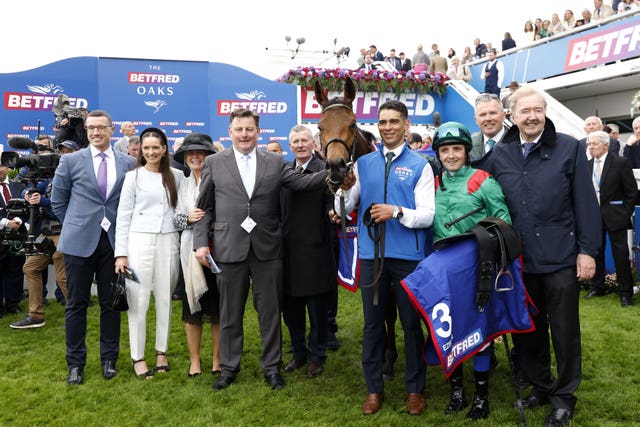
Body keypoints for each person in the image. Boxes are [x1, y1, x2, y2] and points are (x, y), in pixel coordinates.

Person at [479, 86, 601, 427]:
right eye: (524, 111)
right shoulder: (500, 154)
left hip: (561, 259)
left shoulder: (569, 148)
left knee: (564, 333)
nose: (531, 116)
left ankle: (564, 398)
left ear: (544, 112)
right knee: (528, 331)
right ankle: (542, 386)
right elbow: (475, 187)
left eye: (537, 110)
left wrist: (587, 251)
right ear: (512, 116)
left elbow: (585, 204)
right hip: (519, 262)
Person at [192, 108, 327, 392]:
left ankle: (272, 368)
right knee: (230, 314)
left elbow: (302, 184)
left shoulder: (275, 161)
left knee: (270, 313)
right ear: (230, 132)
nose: (244, 134)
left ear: (258, 131)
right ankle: (229, 368)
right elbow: (203, 209)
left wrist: (333, 173)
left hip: (267, 248)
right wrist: (201, 243)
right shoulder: (215, 163)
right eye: (239, 129)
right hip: (229, 249)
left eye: (249, 129)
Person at [333, 100, 435, 416]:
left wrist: (397, 212)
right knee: (373, 326)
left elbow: (428, 215)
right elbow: (343, 210)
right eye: (382, 122)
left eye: (393, 121)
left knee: (410, 325)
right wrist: (341, 189)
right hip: (371, 256)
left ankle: (415, 389)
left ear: (405, 125)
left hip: (408, 258)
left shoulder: (421, 165)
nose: (387, 127)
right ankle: (374, 389)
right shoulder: (363, 164)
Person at [431, 121, 511, 420]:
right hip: (442, 271)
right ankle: (456, 391)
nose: (451, 155)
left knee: (480, 333)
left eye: (457, 149)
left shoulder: (483, 180)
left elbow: (503, 223)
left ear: (466, 151)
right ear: (438, 153)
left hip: (477, 270)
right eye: (445, 150)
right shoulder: (433, 182)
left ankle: (480, 397)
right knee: (448, 330)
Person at [51, 110, 137, 385]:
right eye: (91, 128)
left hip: (114, 243)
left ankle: (109, 359)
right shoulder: (71, 161)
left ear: (112, 130)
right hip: (78, 244)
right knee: (76, 304)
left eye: (101, 128)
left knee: (111, 304)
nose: (96, 132)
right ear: (86, 131)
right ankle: (75, 364)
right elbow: (58, 202)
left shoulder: (129, 163)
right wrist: (77, 225)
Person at [114, 127, 183, 379]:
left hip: (168, 242)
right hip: (137, 243)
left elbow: (180, 214)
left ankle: (161, 351)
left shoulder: (177, 175)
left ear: (164, 148)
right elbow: (123, 216)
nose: (151, 152)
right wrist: (121, 254)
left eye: (156, 147)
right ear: (140, 151)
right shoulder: (133, 177)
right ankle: (138, 356)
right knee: (138, 301)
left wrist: (191, 218)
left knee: (165, 298)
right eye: (146, 148)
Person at [281, 125, 336, 379]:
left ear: (314, 144)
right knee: (291, 309)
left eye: (304, 140)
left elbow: (332, 204)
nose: (300, 145)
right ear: (290, 146)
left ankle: (317, 356)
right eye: (296, 142)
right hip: (287, 252)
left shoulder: (327, 171)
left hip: (316, 249)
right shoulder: (283, 170)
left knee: (316, 310)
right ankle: (298, 352)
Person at [9, 141, 79, 329]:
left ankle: (76, 316)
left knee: (63, 276)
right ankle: (36, 315)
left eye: (69, 152)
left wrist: (44, 201)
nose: (65, 155)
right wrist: (28, 194)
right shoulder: (50, 174)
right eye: (62, 151)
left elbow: (67, 208)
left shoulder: (76, 176)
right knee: (30, 267)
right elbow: (29, 186)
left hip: (65, 230)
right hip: (46, 231)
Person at [172, 132, 220, 377]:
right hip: (188, 253)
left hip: (218, 252)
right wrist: (187, 218)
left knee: (217, 310)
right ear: (185, 157)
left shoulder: (220, 181)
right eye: (191, 153)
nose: (196, 156)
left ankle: (217, 359)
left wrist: (212, 222)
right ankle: (194, 361)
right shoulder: (181, 184)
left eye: (201, 152)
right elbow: (172, 218)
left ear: (209, 155)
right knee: (192, 311)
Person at [584, 131, 637, 307]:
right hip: (593, 218)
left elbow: (631, 192)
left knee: (620, 256)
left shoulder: (620, 163)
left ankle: (626, 294)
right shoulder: (586, 165)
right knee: (595, 254)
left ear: (606, 145)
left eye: (595, 144)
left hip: (616, 217)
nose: (591, 147)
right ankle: (598, 287)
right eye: (589, 144)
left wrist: (624, 213)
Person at [0, 164, 26, 318]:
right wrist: (5, 223)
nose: (0, 169)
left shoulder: (19, 186)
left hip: (17, 236)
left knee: (15, 270)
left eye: (2, 165)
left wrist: (17, 220)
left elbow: (26, 207)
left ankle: (13, 304)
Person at [470, 93, 509, 162]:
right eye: (482, 115)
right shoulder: (469, 146)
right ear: (476, 120)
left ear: (504, 115)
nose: (488, 119)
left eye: (493, 113)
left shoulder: (520, 142)